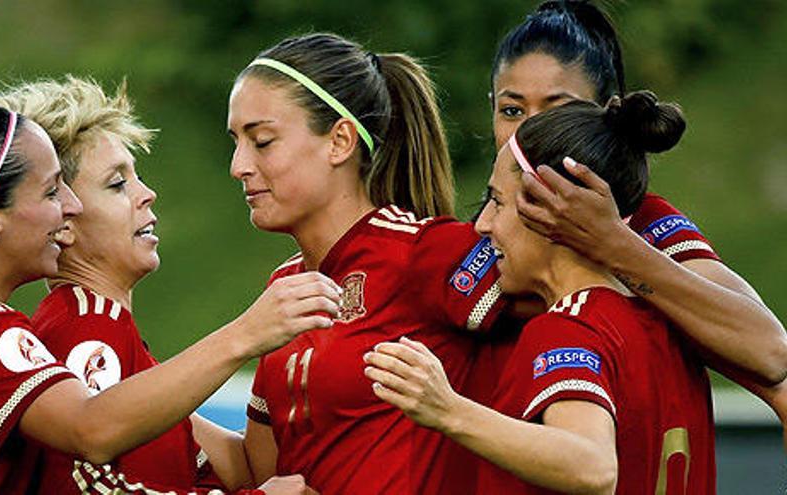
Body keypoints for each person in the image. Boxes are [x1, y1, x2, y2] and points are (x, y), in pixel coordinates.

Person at [0, 106, 339, 494]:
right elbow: (90, 434)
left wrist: (277, 356)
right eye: (52, 191)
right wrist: (246, 335)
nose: (69, 208)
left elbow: (242, 464)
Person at [366, 90, 716, 493]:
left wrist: (447, 409)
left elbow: (593, 467)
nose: (482, 225)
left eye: (496, 202)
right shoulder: (669, 325)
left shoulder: (569, 327)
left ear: (548, 210)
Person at [485, 0, 787, 450]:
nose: (527, 133)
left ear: (607, 114)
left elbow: (770, 354)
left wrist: (614, 245)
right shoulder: (481, 233)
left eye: (557, 109)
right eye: (512, 111)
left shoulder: (646, 226)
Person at [228, 33, 505, 494]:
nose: (238, 165)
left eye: (262, 141)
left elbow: (564, 323)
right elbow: (262, 469)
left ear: (339, 141)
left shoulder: (429, 252)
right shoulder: (283, 287)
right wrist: (128, 394)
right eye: (236, 142)